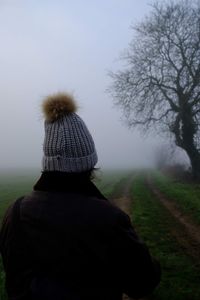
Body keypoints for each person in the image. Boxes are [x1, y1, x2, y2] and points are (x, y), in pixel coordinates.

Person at [0, 93, 161, 300]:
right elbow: (142, 284)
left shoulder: (14, 213)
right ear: (89, 164)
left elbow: (14, 281)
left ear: (48, 161)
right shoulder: (108, 218)